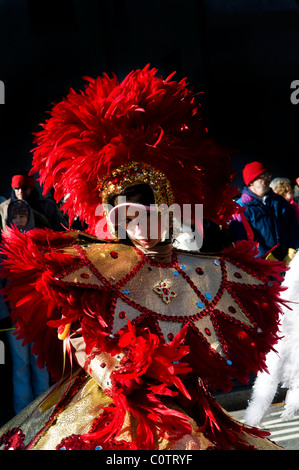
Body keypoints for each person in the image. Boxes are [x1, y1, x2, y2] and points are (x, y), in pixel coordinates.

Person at [0, 66, 286, 451]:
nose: (137, 227)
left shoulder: (200, 267)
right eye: (124, 217)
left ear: (168, 211)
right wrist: (111, 372)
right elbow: (75, 329)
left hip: (186, 411)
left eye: (144, 214)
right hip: (114, 408)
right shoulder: (95, 265)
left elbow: (220, 346)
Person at [2, 199, 49, 415]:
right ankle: (23, 416)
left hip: (37, 313)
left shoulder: (39, 242)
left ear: (29, 217)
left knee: (40, 362)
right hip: (14, 316)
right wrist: (4, 316)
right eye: (15, 217)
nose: (19, 221)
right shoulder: (3, 247)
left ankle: (44, 410)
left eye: (22, 216)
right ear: (7, 219)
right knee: (20, 366)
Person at [244, 250, 299, 427]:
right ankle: (252, 421)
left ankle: (253, 421)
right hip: (289, 325)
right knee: (273, 370)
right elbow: (289, 296)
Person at [230, 161, 299, 264]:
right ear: (252, 182)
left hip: (287, 262)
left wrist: (292, 248)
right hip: (260, 266)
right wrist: (266, 257)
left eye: (268, 175)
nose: (268, 179)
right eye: (263, 176)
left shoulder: (279, 201)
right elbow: (241, 238)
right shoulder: (242, 207)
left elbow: (294, 227)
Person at [0, 169, 67, 232]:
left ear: (31, 188)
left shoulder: (48, 205)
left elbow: (62, 228)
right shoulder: (3, 208)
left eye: (24, 188)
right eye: (17, 188)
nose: (20, 191)